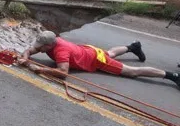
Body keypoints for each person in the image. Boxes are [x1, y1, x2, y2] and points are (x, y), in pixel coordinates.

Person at [19, 31, 180, 90]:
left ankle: (172, 75)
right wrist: (25, 58)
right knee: (110, 52)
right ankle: (132, 47)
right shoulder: (48, 43)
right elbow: (29, 50)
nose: (38, 49)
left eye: (41, 47)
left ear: (50, 45)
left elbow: (62, 73)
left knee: (131, 72)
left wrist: (38, 69)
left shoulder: (61, 51)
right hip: (87, 50)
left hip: (94, 59)